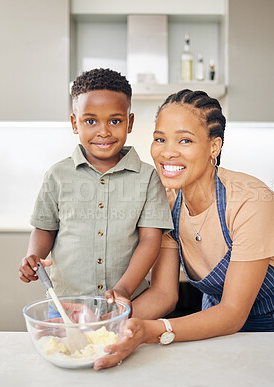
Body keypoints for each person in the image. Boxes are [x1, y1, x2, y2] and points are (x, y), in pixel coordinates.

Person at [98, 89, 274, 370]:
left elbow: (233, 312)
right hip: (216, 330)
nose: (167, 151)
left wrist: (150, 331)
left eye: (185, 140)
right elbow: (163, 294)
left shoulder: (251, 200)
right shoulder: (169, 202)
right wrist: (103, 324)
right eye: (160, 139)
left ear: (214, 147)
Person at [18, 68, 173, 312]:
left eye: (115, 121)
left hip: (124, 306)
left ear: (129, 122)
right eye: (91, 121)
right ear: (74, 123)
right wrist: (34, 255)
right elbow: (44, 228)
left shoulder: (148, 177)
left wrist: (124, 288)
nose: (104, 131)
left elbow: (150, 240)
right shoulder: (57, 175)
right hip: (65, 306)